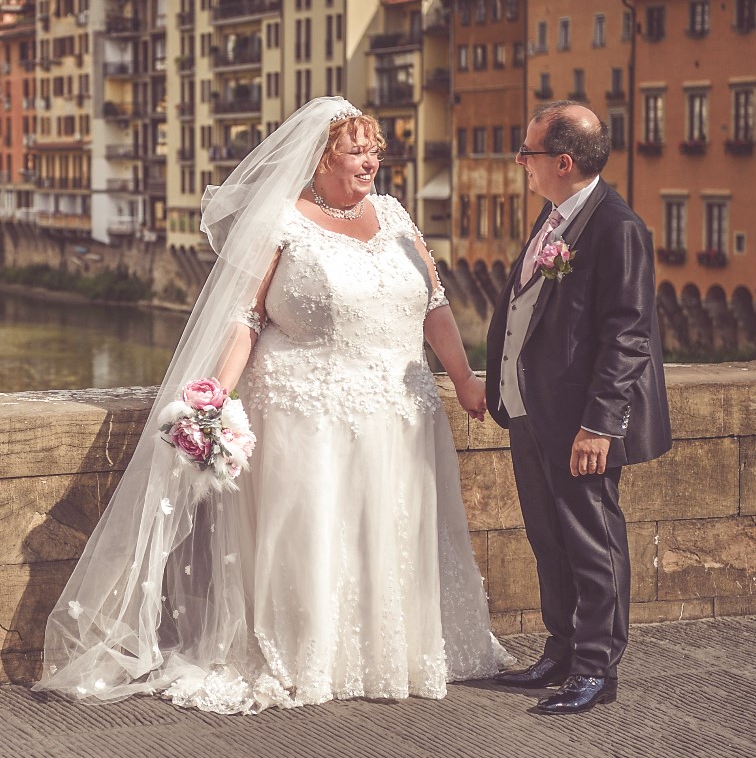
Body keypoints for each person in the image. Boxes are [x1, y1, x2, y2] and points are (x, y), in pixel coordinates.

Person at [34, 96, 508, 713]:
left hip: (400, 407)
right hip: (305, 408)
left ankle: (385, 655)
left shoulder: (394, 216)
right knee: (314, 531)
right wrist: (215, 398)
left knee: (393, 527)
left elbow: (435, 306)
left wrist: (466, 379)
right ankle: (311, 658)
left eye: (375, 150)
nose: (371, 162)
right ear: (320, 158)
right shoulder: (284, 221)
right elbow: (244, 319)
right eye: (356, 150)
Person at [486, 101, 671, 715]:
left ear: (563, 162)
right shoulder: (556, 214)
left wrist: (598, 424)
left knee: (593, 543)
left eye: (528, 153)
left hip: (579, 422)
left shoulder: (617, 227)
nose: (521, 163)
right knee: (548, 538)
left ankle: (596, 667)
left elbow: (628, 334)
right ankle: (561, 650)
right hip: (531, 410)